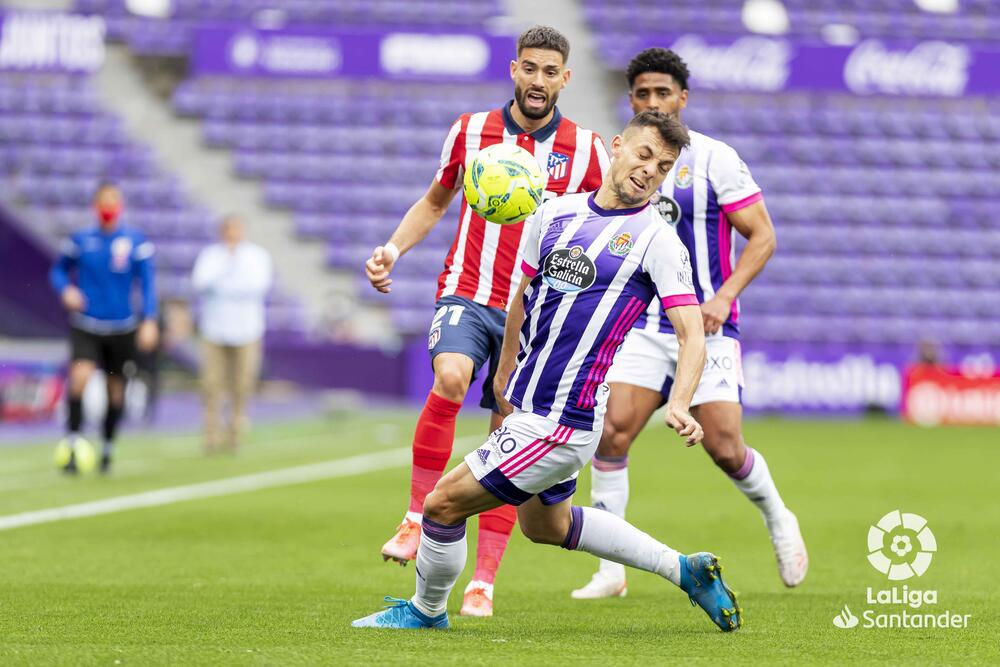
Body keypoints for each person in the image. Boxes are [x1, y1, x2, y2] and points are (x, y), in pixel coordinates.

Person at [353, 110, 743, 633]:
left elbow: (692, 332)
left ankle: (425, 611)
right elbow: (522, 295)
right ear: (617, 146)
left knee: (443, 505)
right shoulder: (556, 213)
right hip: (535, 405)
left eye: (664, 165)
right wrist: (503, 370)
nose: (650, 170)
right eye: (644, 154)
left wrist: (678, 402)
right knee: (546, 525)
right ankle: (685, 570)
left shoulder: (657, 240)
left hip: (563, 419)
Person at [364, 25, 608, 617]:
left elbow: (606, 226)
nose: (539, 81)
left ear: (565, 79)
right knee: (450, 377)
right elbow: (434, 200)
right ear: (514, 70)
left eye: (550, 72)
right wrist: (393, 249)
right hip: (467, 292)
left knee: (508, 437)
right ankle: (417, 515)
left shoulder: (588, 150)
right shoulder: (471, 131)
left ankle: (484, 581)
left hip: (535, 315)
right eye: (530, 69)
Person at [571, 48, 806, 600]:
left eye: (664, 93)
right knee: (611, 432)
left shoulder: (715, 159)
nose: (655, 101)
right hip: (641, 324)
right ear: (631, 102)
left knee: (724, 446)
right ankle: (611, 570)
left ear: (682, 98)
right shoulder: (628, 158)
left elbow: (763, 236)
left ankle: (778, 516)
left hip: (706, 324)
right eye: (644, 94)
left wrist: (724, 296)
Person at [49, 181, 158, 474]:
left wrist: (149, 319)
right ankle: (72, 443)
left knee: (115, 390)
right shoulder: (81, 240)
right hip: (87, 324)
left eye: (114, 200)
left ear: (120, 205)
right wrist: (66, 290)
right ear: (95, 205)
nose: (108, 206)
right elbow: (59, 269)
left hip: (122, 328)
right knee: (79, 378)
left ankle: (107, 447)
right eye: (103, 201)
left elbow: (147, 284)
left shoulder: (136, 242)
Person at [191, 216, 273, 454]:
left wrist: (226, 285)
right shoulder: (211, 256)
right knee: (211, 384)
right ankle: (211, 434)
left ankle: (235, 431)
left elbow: (257, 286)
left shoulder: (256, 256)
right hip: (215, 329)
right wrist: (226, 267)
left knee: (242, 384)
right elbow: (200, 283)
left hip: (247, 330)